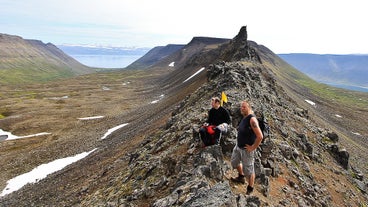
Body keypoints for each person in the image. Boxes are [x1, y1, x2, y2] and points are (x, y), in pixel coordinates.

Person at [231, 100, 263, 195]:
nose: (242, 108)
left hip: (246, 150)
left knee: (249, 171)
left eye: (244, 107)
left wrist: (252, 148)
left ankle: (250, 189)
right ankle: (241, 177)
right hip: (238, 146)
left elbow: (260, 136)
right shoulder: (245, 117)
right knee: (234, 162)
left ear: (249, 107)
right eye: (241, 106)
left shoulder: (252, 120)